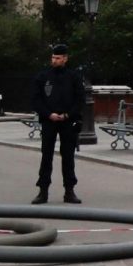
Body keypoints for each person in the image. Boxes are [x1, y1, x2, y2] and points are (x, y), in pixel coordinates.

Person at [31, 42, 88, 205]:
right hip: (49, 121)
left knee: (68, 156)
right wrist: (48, 114)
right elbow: (36, 99)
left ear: (65, 59)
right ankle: (43, 191)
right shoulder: (43, 76)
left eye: (57, 58)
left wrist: (68, 115)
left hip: (67, 121)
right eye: (53, 58)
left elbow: (80, 99)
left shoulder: (74, 77)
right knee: (46, 156)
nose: (54, 61)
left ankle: (69, 191)